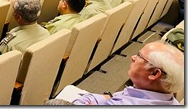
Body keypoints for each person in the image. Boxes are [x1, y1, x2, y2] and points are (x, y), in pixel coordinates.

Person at [46, 41, 184, 105]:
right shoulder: (162, 95)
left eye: (139, 56)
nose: (133, 57)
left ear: (154, 74)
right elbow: (110, 98)